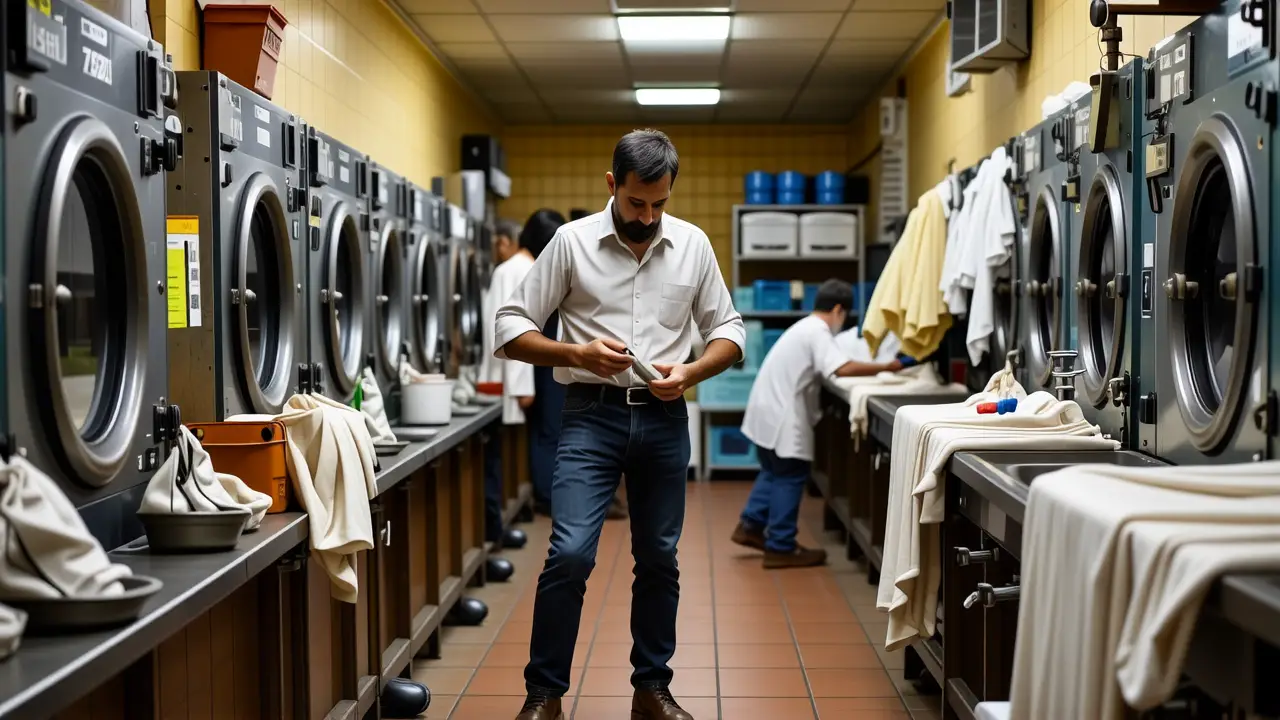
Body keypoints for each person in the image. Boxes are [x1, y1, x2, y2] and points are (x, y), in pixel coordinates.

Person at [495, 129, 744, 720]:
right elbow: (510, 326)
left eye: (660, 203)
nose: (649, 216)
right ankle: (544, 695)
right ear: (612, 184)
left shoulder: (692, 245)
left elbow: (729, 332)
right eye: (637, 203)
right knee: (571, 553)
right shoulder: (571, 243)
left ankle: (650, 690)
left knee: (659, 557)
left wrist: (690, 372)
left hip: (663, 417)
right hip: (589, 418)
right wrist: (576, 354)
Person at [732, 279, 905, 569]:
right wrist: (886, 367)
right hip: (782, 416)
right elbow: (841, 368)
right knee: (790, 474)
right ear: (838, 309)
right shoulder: (819, 331)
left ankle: (750, 526)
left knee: (774, 470)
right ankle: (780, 547)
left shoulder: (804, 327)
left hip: (766, 410)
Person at [480, 219, 536, 553]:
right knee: (501, 457)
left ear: (504, 242)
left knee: (496, 457)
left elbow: (500, 331)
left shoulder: (506, 271)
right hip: (511, 377)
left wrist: (515, 384)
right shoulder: (524, 268)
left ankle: (496, 527)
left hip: (502, 377)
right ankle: (498, 525)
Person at [513, 210, 570, 515]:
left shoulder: (531, 267)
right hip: (541, 361)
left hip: (544, 360)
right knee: (548, 431)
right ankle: (547, 496)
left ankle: (547, 492)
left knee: (548, 430)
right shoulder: (526, 269)